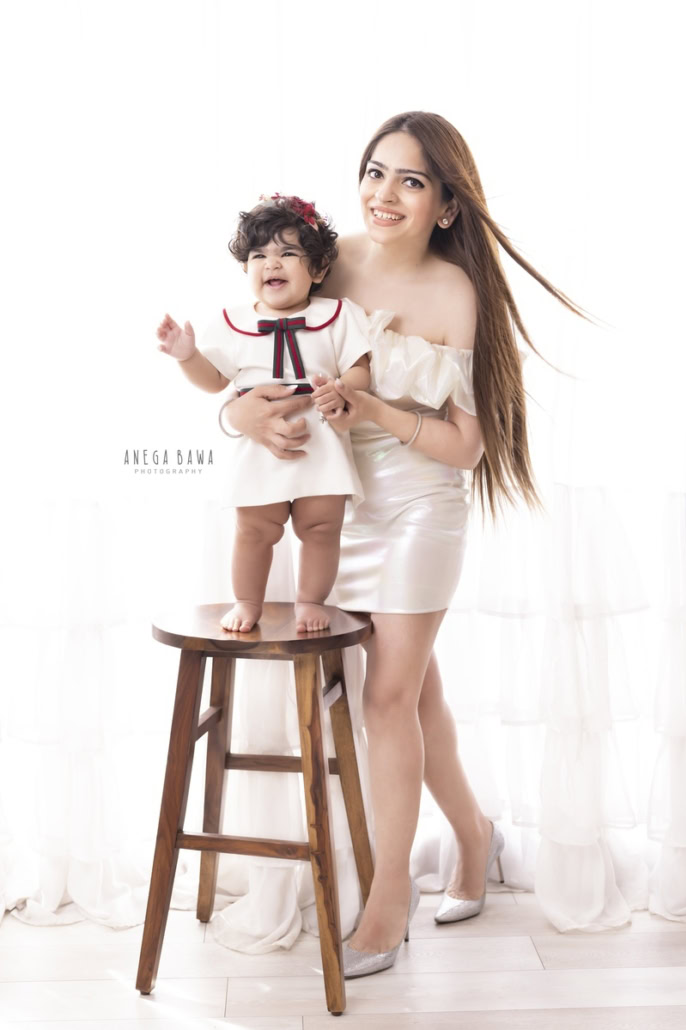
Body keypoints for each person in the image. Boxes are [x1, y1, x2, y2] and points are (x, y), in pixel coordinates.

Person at [222, 111, 589, 978]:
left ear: (447, 206)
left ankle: (389, 900)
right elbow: (242, 367)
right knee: (415, 697)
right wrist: (239, 416)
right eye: (375, 172)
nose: (384, 194)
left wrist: (374, 409)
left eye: (411, 181)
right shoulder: (325, 260)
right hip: (330, 510)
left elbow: (465, 448)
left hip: (420, 509)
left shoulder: (454, 292)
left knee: (385, 700)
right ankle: (474, 834)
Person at [156, 194, 372, 633]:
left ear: (318, 270)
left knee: (321, 529)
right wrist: (187, 356)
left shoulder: (336, 315)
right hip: (260, 450)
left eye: (288, 253)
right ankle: (247, 601)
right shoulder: (232, 322)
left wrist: (343, 388)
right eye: (259, 255)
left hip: (321, 442)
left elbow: (360, 367)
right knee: (253, 531)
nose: (272, 263)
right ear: (245, 268)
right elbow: (215, 380)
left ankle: (310, 601)